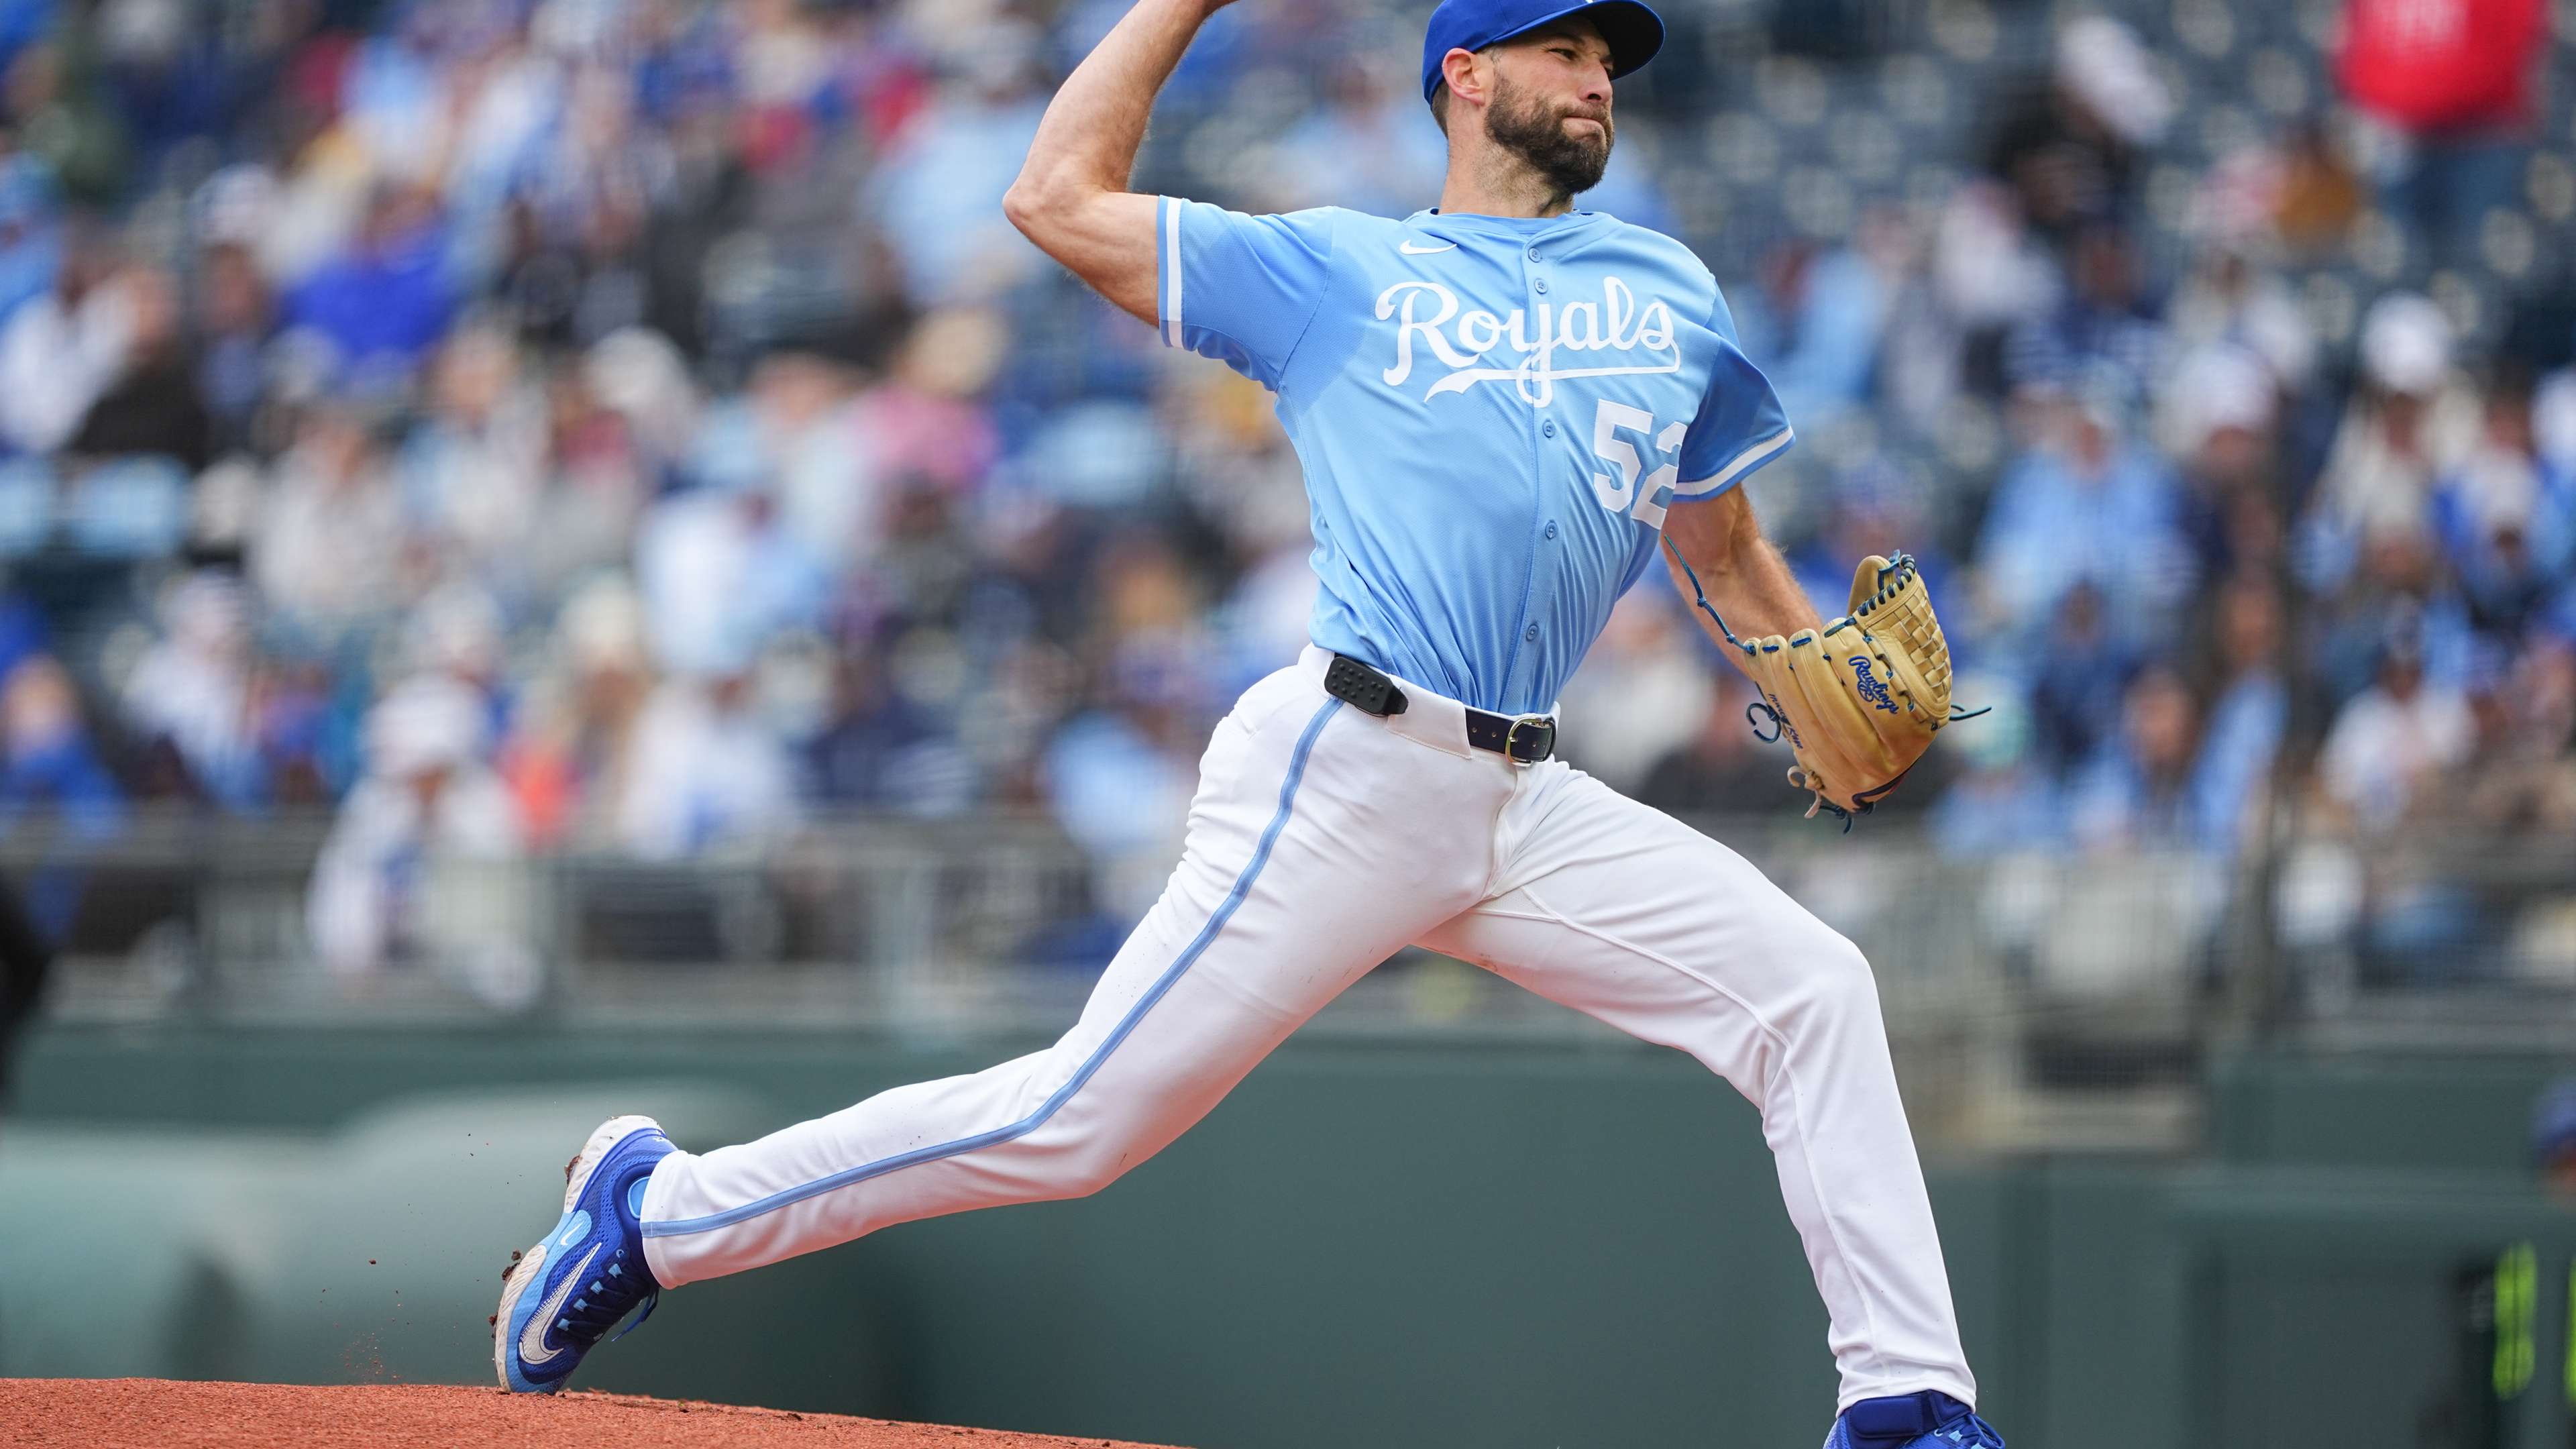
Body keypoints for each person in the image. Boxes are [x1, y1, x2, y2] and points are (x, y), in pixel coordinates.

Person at [493, 5, 2003, 1445]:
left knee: (1813, 989)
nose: (1599, 74)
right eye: (1564, 46)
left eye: (1610, 53)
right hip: (1350, 769)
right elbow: (1052, 197)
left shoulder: (1667, 289)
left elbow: (1721, 550)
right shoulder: (1339, 272)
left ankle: (1907, 1408)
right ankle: (659, 1212)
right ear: (1465, 76)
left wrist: (1805, 655)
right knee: (1075, 1126)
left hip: (1527, 800)